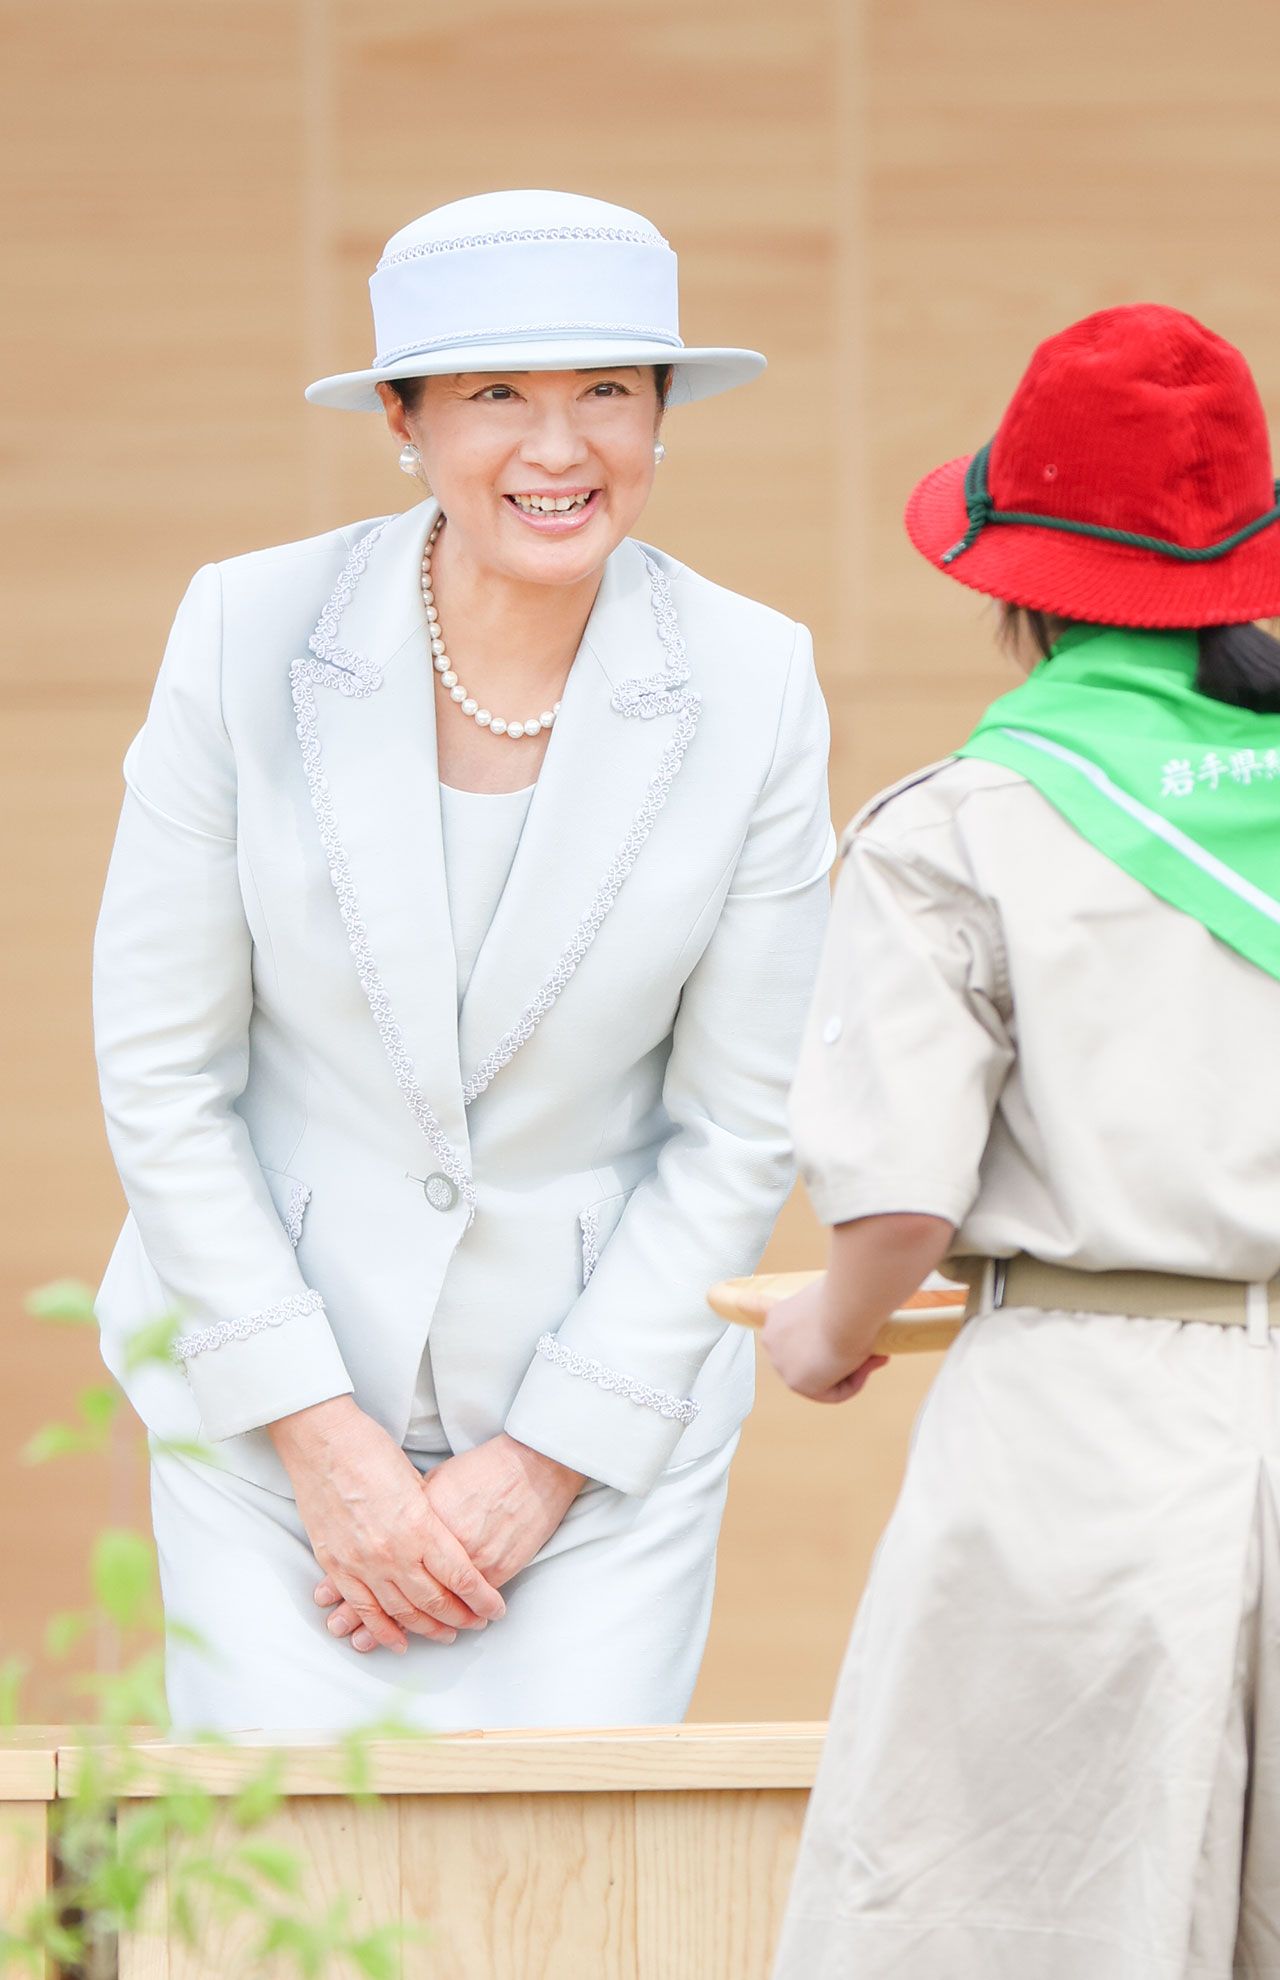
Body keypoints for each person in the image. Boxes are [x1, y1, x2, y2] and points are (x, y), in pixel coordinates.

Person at [92, 188, 834, 1733]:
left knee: (569, 1919)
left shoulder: (754, 678)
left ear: (660, 416)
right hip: (264, 1424)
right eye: (497, 394)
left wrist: (551, 1454)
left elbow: (741, 1122)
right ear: (402, 421)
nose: (557, 452)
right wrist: (318, 1437)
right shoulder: (245, 630)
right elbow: (163, 1070)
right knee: (282, 1924)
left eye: (607, 396)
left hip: (597, 1445)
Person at [765, 304, 1280, 1976]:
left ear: (1020, 584)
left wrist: (821, 1334)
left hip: (1084, 1440)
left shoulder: (958, 834)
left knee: (1011, 1926)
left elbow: (899, 1207)